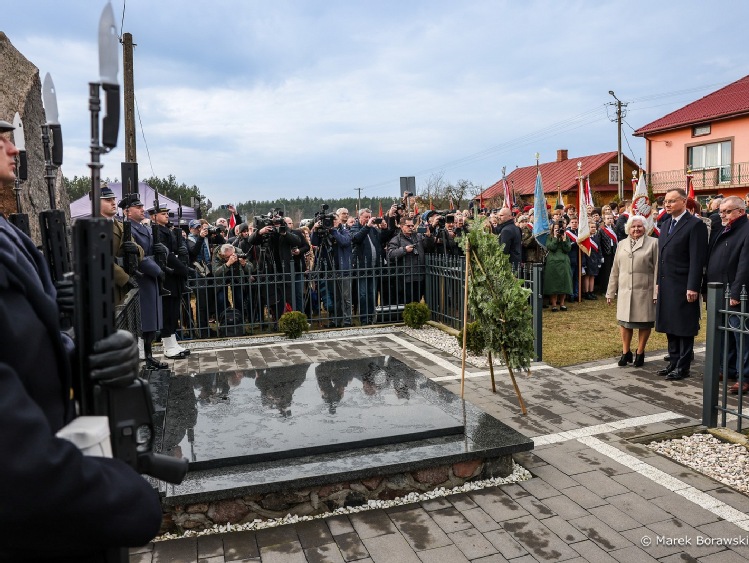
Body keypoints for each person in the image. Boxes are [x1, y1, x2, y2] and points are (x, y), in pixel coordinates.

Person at [0, 119, 162, 561]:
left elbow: (26, 341)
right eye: (2, 142)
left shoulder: (8, 233)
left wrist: (83, 356)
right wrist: (119, 497)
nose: (14, 151)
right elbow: (13, 461)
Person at [655, 188, 708, 381]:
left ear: (684, 202)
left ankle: (683, 366)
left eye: (671, 201)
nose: (667, 205)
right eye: (665, 202)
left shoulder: (695, 225)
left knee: (684, 326)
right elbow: (662, 257)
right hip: (667, 283)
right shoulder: (666, 223)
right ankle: (673, 361)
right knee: (670, 323)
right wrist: (658, 281)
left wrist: (693, 286)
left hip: (684, 285)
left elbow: (697, 259)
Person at [704, 196, 749, 394]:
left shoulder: (745, 230)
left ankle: (744, 376)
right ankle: (727, 368)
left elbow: (745, 264)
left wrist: (737, 291)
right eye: (721, 211)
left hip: (735, 292)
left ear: (740, 211)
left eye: (727, 211)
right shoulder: (725, 228)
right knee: (725, 334)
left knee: (741, 338)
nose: (722, 215)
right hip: (720, 290)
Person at [121, 194, 167, 369]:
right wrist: (157, 270)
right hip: (142, 277)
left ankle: (149, 356)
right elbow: (138, 256)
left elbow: (153, 249)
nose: (142, 209)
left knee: (152, 320)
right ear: (127, 212)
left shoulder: (145, 228)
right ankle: (145, 357)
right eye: (138, 207)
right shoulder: (129, 229)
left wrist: (163, 252)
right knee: (144, 320)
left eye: (142, 206)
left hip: (151, 277)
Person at [606, 215, 658, 367]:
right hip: (625, 291)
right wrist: (610, 291)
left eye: (639, 226)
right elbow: (615, 269)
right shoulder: (621, 244)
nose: (636, 229)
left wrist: (656, 292)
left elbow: (657, 270)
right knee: (625, 323)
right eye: (633, 226)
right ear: (628, 229)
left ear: (645, 228)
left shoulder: (654, 243)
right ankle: (625, 352)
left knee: (644, 323)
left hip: (645, 291)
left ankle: (640, 352)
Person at [151, 204, 191, 359]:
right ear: (153, 216)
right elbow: (165, 255)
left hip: (174, 276)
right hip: (168, 274)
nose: (167, 215)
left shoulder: (168, 230)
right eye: (163, 213)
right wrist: (181, 268)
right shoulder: (157, 232)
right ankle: (168, 346)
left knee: (174, 311)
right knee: (168, 311)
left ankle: (172, 342)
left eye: (167, 213)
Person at [387, 216, 435, 304]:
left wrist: (428, 237)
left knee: (417, 299)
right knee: (406, 300)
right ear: (401, 226)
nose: (411, 228)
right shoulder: (396, 239)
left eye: (412, 226)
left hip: (419, 274)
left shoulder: (418, 236)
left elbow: (428, 246)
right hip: (406, 276)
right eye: (408, 226)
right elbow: (390, 254)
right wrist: (404, 250)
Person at [544, 221, 573, 311]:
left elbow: (568, 249)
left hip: (564, 262)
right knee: (554, 283)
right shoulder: (550, 237)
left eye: (559, 229)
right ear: (553, 229)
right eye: (556, 228)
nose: (558, 230)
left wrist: (564, 240)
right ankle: (553, 304)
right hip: (553, 262)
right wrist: (556, 238)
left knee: (564, 282)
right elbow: (551, 247)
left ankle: (562, 303)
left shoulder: (566, 237)